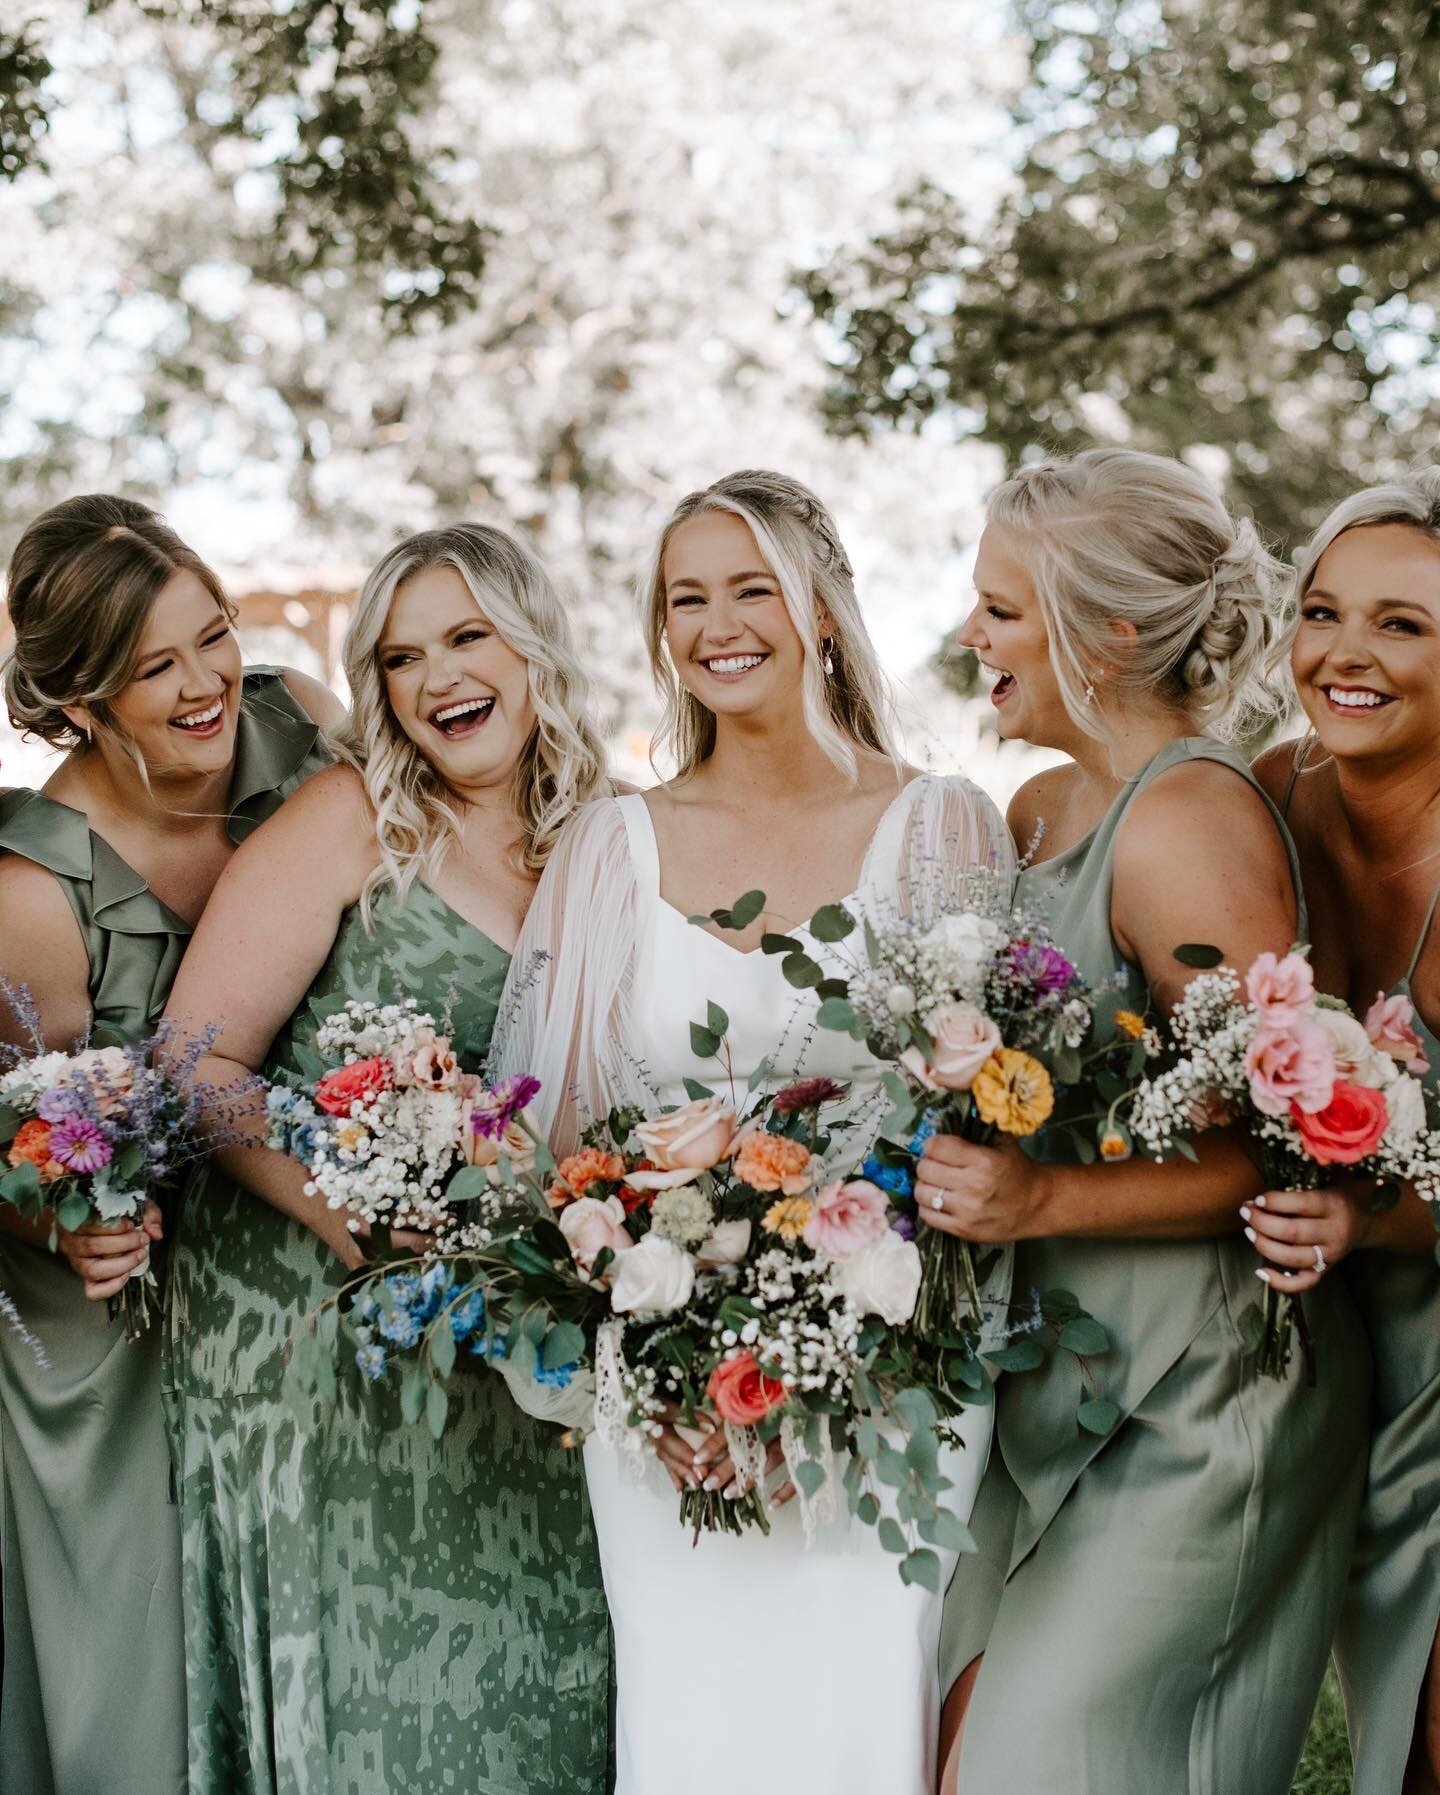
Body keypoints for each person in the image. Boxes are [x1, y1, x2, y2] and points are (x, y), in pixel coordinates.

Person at [494, 469, 1014, 1795]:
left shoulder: (940, 826)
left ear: (822, 608)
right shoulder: (612, 847)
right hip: (669, 1413)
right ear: (662, 631)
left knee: (863, 1705)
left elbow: (986, 1139)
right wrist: (655, 1375)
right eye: (687, 597)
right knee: (695, 1725)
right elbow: (549, 1158)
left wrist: (832, 1373)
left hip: (889, 1397)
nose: (720, 622)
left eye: (752, 587)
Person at [924, 448, 1369, 1793]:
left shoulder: (1184, 819)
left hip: (1207, 1384)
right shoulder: (1040, 808)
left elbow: (1289, 1144)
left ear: (1108, 634)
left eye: (1004, 607)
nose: (970, 633)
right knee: (954, 1750)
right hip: (1066, 1361)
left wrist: (1038, 1201)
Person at [161, 523, 612, 1795]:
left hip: (528, 1342)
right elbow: (195, 1065)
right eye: (401, 656)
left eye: (466, 636)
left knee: (553, 1678)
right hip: (322, 1341)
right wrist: (344, 1209)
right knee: (381, 1719)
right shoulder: (349, 816)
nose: (437, 679)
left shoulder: (617, 837)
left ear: (533, 645)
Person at [0, 493, 336, 1795]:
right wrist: (65, 1220)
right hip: (116, 1312)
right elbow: (28, 1143)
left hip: (303, 1218)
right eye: (156, 668)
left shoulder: (300, 720)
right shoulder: (35, 888)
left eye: (214, 637)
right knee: (138, 1683)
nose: (208, 686)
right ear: (81, 698)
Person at [1251, 470, 1440, 1795]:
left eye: (1405, 625)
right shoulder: (1265, 796)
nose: (1346, 654)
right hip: (1320, 1324)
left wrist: (1381, 1210)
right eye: (1324, 611)